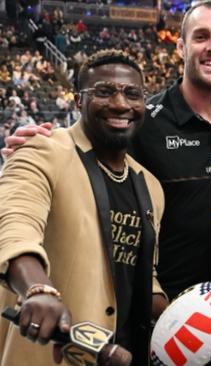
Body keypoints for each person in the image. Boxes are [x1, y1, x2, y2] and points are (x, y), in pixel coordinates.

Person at [2, 2, 211, 364]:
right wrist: (38, 288)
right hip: (123, 333)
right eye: (200, 36)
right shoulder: (136, 125)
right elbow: (18, 223)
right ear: (180, 47)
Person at [0, 49, 167, 365]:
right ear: (78, 101)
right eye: (104, 92)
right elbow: (15, 226)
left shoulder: (151, 186)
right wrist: (38, 290)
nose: (120, 104)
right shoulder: (41, 151)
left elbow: (137, 270)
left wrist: (182, 316)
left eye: (132, 94)